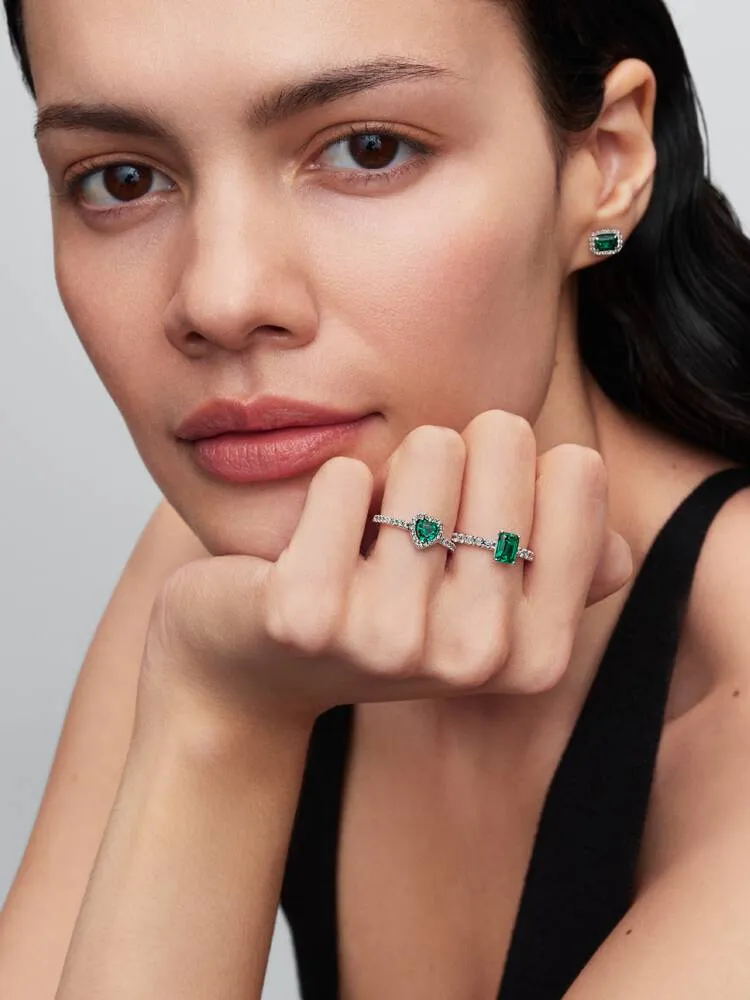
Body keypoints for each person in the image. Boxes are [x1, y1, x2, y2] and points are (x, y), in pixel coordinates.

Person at [2, 0, 750, 997]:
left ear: (603, 165)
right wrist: (220, 711)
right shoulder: (217, 579)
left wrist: (224, 721)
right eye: (121, 178)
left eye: (368, 149)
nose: (220, 298)